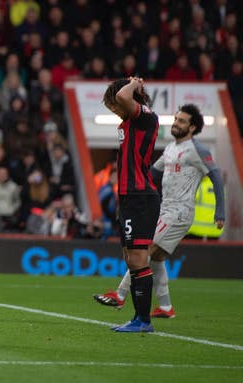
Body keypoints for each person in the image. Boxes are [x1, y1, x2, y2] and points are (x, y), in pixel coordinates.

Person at [94, 104, 225, 318]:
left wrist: (220, 211)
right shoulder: (171, 149)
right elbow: (151, 175)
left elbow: (216, 176)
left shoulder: (198, 150)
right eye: (176, 119)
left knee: (145, 250)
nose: (176, 123)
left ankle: (120, 294)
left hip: (180, 212)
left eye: (181, 121)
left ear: (192, 128)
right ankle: (165, 306)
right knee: (156, 259)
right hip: (164, 209)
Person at [101, 77, 160, 333]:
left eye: (114, 104)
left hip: (141, 196)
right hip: (128, 196)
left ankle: (143, 320)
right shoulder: (128, 122)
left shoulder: (145, 116)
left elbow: (125, 97)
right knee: (130, 258)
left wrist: (133, 84)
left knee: (138, 258)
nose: (114, 109)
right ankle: (139, 319)